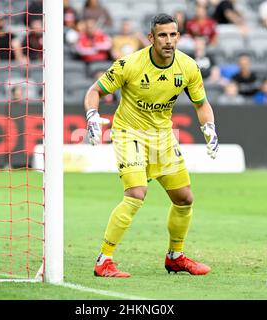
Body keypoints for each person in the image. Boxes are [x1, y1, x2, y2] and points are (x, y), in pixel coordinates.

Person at [84, 14, 218, 278]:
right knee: (136, 193)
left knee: (184, 198)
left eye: (173, 35)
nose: (168, 41)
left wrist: (210, 127)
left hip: (162, 137)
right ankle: (104, 260)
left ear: (178, 36)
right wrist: (91, 116)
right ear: (151, 38)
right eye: (162, 35)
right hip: (129, 133)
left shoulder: (188, 67)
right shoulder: (130, 64)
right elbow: (94, 91)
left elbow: (201, 104)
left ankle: (175, 257)